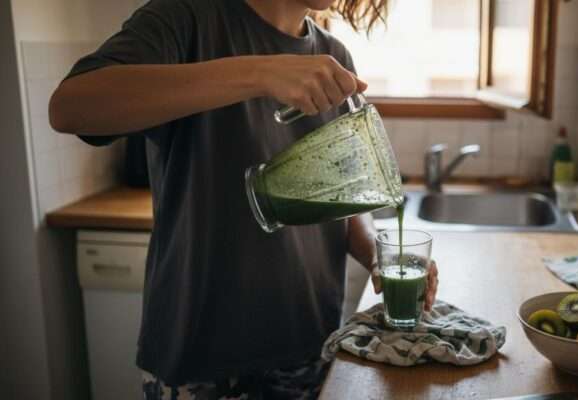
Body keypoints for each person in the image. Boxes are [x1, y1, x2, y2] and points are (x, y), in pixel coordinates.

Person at [49, 0, 439, 398]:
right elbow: (69, 108)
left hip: (310, 347)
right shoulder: (185, 18)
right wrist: (261, 71)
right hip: (203, 359)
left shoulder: (333, 57)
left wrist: (375, 253)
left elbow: (343, 195)